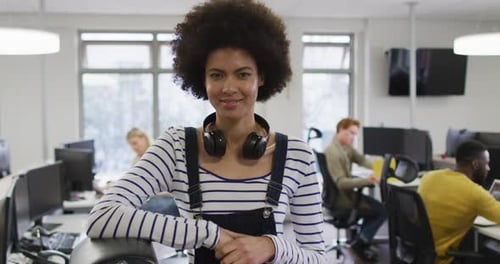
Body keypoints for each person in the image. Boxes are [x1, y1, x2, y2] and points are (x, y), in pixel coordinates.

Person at [87, 1, 325, 263]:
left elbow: (320, 258)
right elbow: (103, 216)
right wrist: (208, 234)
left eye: (243, 74)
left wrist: (273, 247)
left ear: (262, 77)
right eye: (217, 75)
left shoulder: (296, 156)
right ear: (203, 79)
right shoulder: (176, 147)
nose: (229, 87)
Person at [418, 140, 500, 264]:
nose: (488, 169)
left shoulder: (429, 177)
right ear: (476, 164)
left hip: (418, 253)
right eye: (486, 164)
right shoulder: (474, 193)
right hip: (441, 259)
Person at [324, 117, 386, 261]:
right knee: (382, 211)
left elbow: (362, 160)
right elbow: (341, 183)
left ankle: (360, 241)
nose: (353, 137)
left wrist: (382, 167)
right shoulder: (333, 152)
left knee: (375, 209)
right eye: (351, 133)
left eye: (355, 134)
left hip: (344, 195)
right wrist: (367, 180)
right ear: (341, 130)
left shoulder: (345, 148)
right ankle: (360, 243)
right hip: (342, 199)